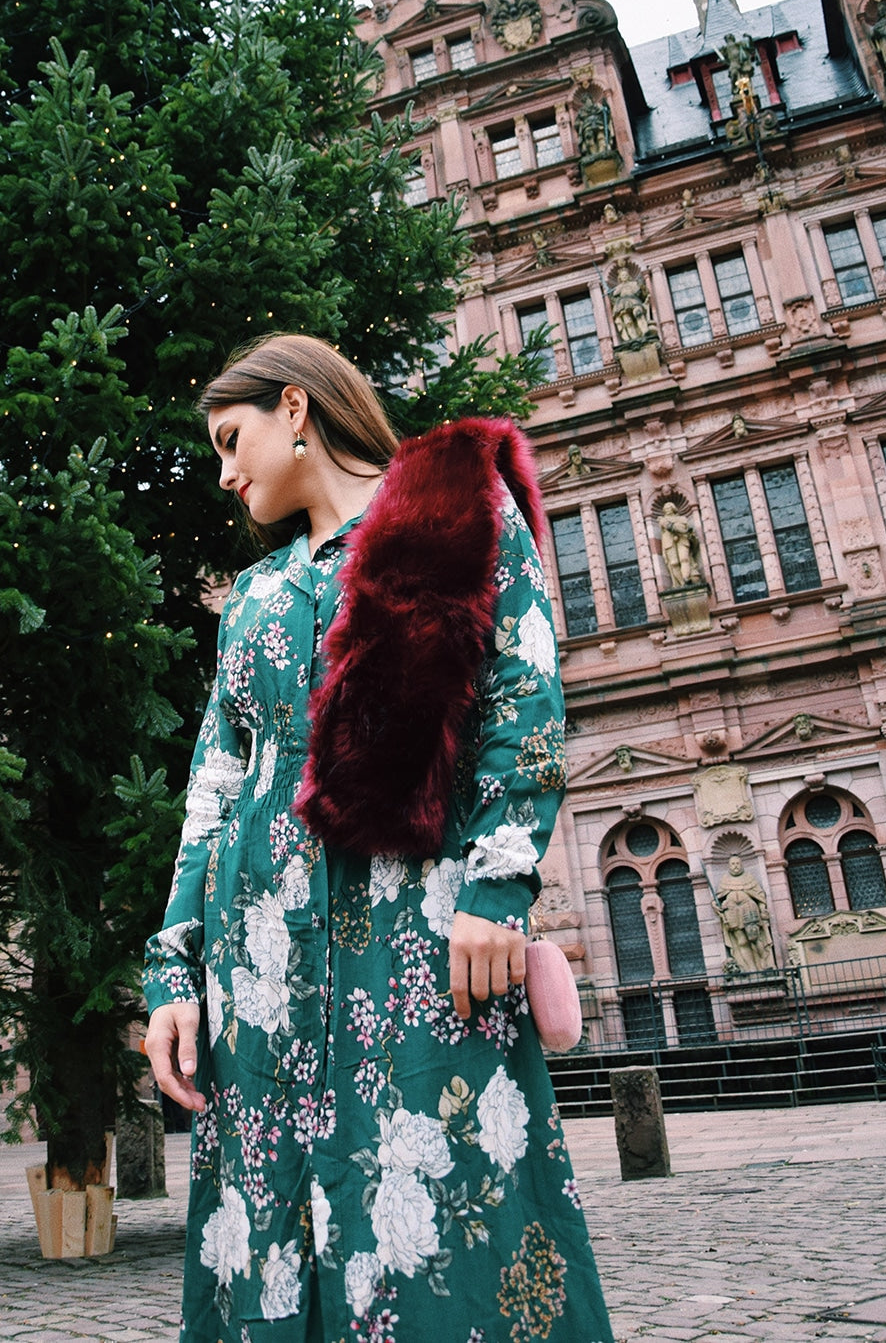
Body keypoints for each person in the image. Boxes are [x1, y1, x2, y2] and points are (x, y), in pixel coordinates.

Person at [143, 333, 613, 1341]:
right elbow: (212, 790)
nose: (225, 474)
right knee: (265, 1222)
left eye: (233, 440)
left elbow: (522, 700)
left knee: (444, 1200)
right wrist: (172, 974)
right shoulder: (252, 600)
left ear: (297, 411)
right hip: (258, 963)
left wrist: (498, 887)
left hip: (416, 937)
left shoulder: (457, 519)